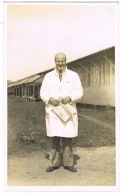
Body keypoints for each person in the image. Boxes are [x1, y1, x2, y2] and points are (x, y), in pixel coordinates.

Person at [40, 53, 83, 172]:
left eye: (62, 61)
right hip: (53, 112)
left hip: (68, 111)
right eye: (58, 61)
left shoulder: (74, 76)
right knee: (54, 137)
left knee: (68, 137)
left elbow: (79, 92)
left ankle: (68, 163)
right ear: (55, 62)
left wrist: (70, 97)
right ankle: (53, 163)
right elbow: (43, 93)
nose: (60, 63)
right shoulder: (48, 76)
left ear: (65, 62)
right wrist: (49, 99)